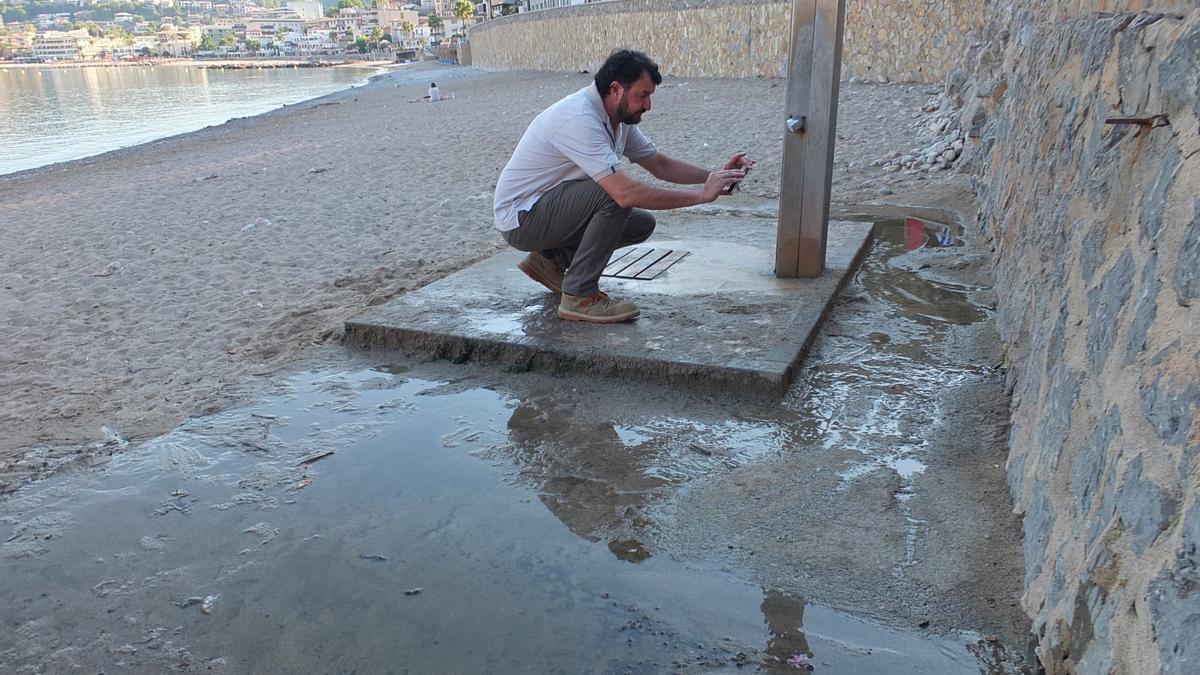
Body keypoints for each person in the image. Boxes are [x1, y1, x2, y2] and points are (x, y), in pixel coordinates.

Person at [493, 49, 754, 323]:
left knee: (640, 224)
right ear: (615, 89)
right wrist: (701, 196)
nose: (648, 105)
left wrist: (715, 176)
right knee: (615, 197)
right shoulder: (578, 118)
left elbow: (659, 164)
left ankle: (550, 261)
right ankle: (579, 296)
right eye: (643, 95)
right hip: (521, 218)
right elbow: (624, 193)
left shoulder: (618, 119)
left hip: (544, 211)